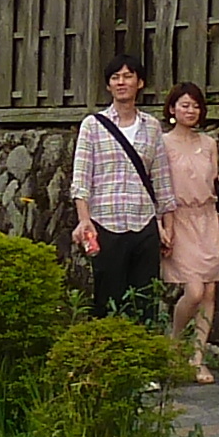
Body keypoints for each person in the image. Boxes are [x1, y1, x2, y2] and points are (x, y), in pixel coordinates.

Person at [157, 81, 219, 382]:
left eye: (195, 105)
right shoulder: (162, 143)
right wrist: (159, 223)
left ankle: (197, 358)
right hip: (178, 218)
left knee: (209, 290)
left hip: (207, 218)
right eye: (184, 105)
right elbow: (156, 185)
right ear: (172, 109)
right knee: (193, 290)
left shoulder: (208, 144)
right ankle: (173, 343)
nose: (190, 110)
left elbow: (214, 187)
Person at [68, 55, 166, 317]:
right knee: (107, 298)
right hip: (105, 221)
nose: (121, 82)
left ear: (140, 83)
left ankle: (143, 354)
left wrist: (166, 224)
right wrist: (84, 219)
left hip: (144, 221)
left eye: (128, 76)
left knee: (145, 301)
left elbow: (161, 179)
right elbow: (81, 177)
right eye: (115, 77)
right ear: (109, 86)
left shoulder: (152, 127)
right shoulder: (93, 125)